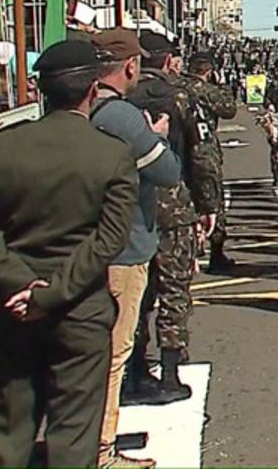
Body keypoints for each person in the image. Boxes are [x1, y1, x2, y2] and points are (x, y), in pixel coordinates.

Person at [0, 40, 138, 467]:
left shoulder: (0, 149)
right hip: (79, 309)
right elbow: (108, 240)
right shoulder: (111, 154)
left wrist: (18, 284)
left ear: (41, 89)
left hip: (9, 309)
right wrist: (49, 294)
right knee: (73, 437)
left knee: (8, 434)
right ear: (93, 89)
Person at [89, 29, 181, 468]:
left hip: (90, 245)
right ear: (129, 67)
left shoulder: (81, 108)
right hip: (124, 247)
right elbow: (166, 172)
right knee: (113, 353)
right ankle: (101, 452)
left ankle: (90, 440)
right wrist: (156, 134)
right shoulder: (122, 116)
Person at [125, 33, 201, 408]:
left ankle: (135, 369)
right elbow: (199, 155)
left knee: (135, 289)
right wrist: (207, 205)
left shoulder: (119, 100)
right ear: (168, 59)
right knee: (174, 289)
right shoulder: (179, 96)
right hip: (173, 202)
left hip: (129, 204)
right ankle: (170, 372)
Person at [180, 52, 238, 273]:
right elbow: (229, 109)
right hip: (203, 149)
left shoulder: (177, 86)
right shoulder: (205, 90)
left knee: (185, 201)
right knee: (212, 201)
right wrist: (222, 84)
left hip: (178, 149)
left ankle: (190, 251)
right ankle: (216, 251)